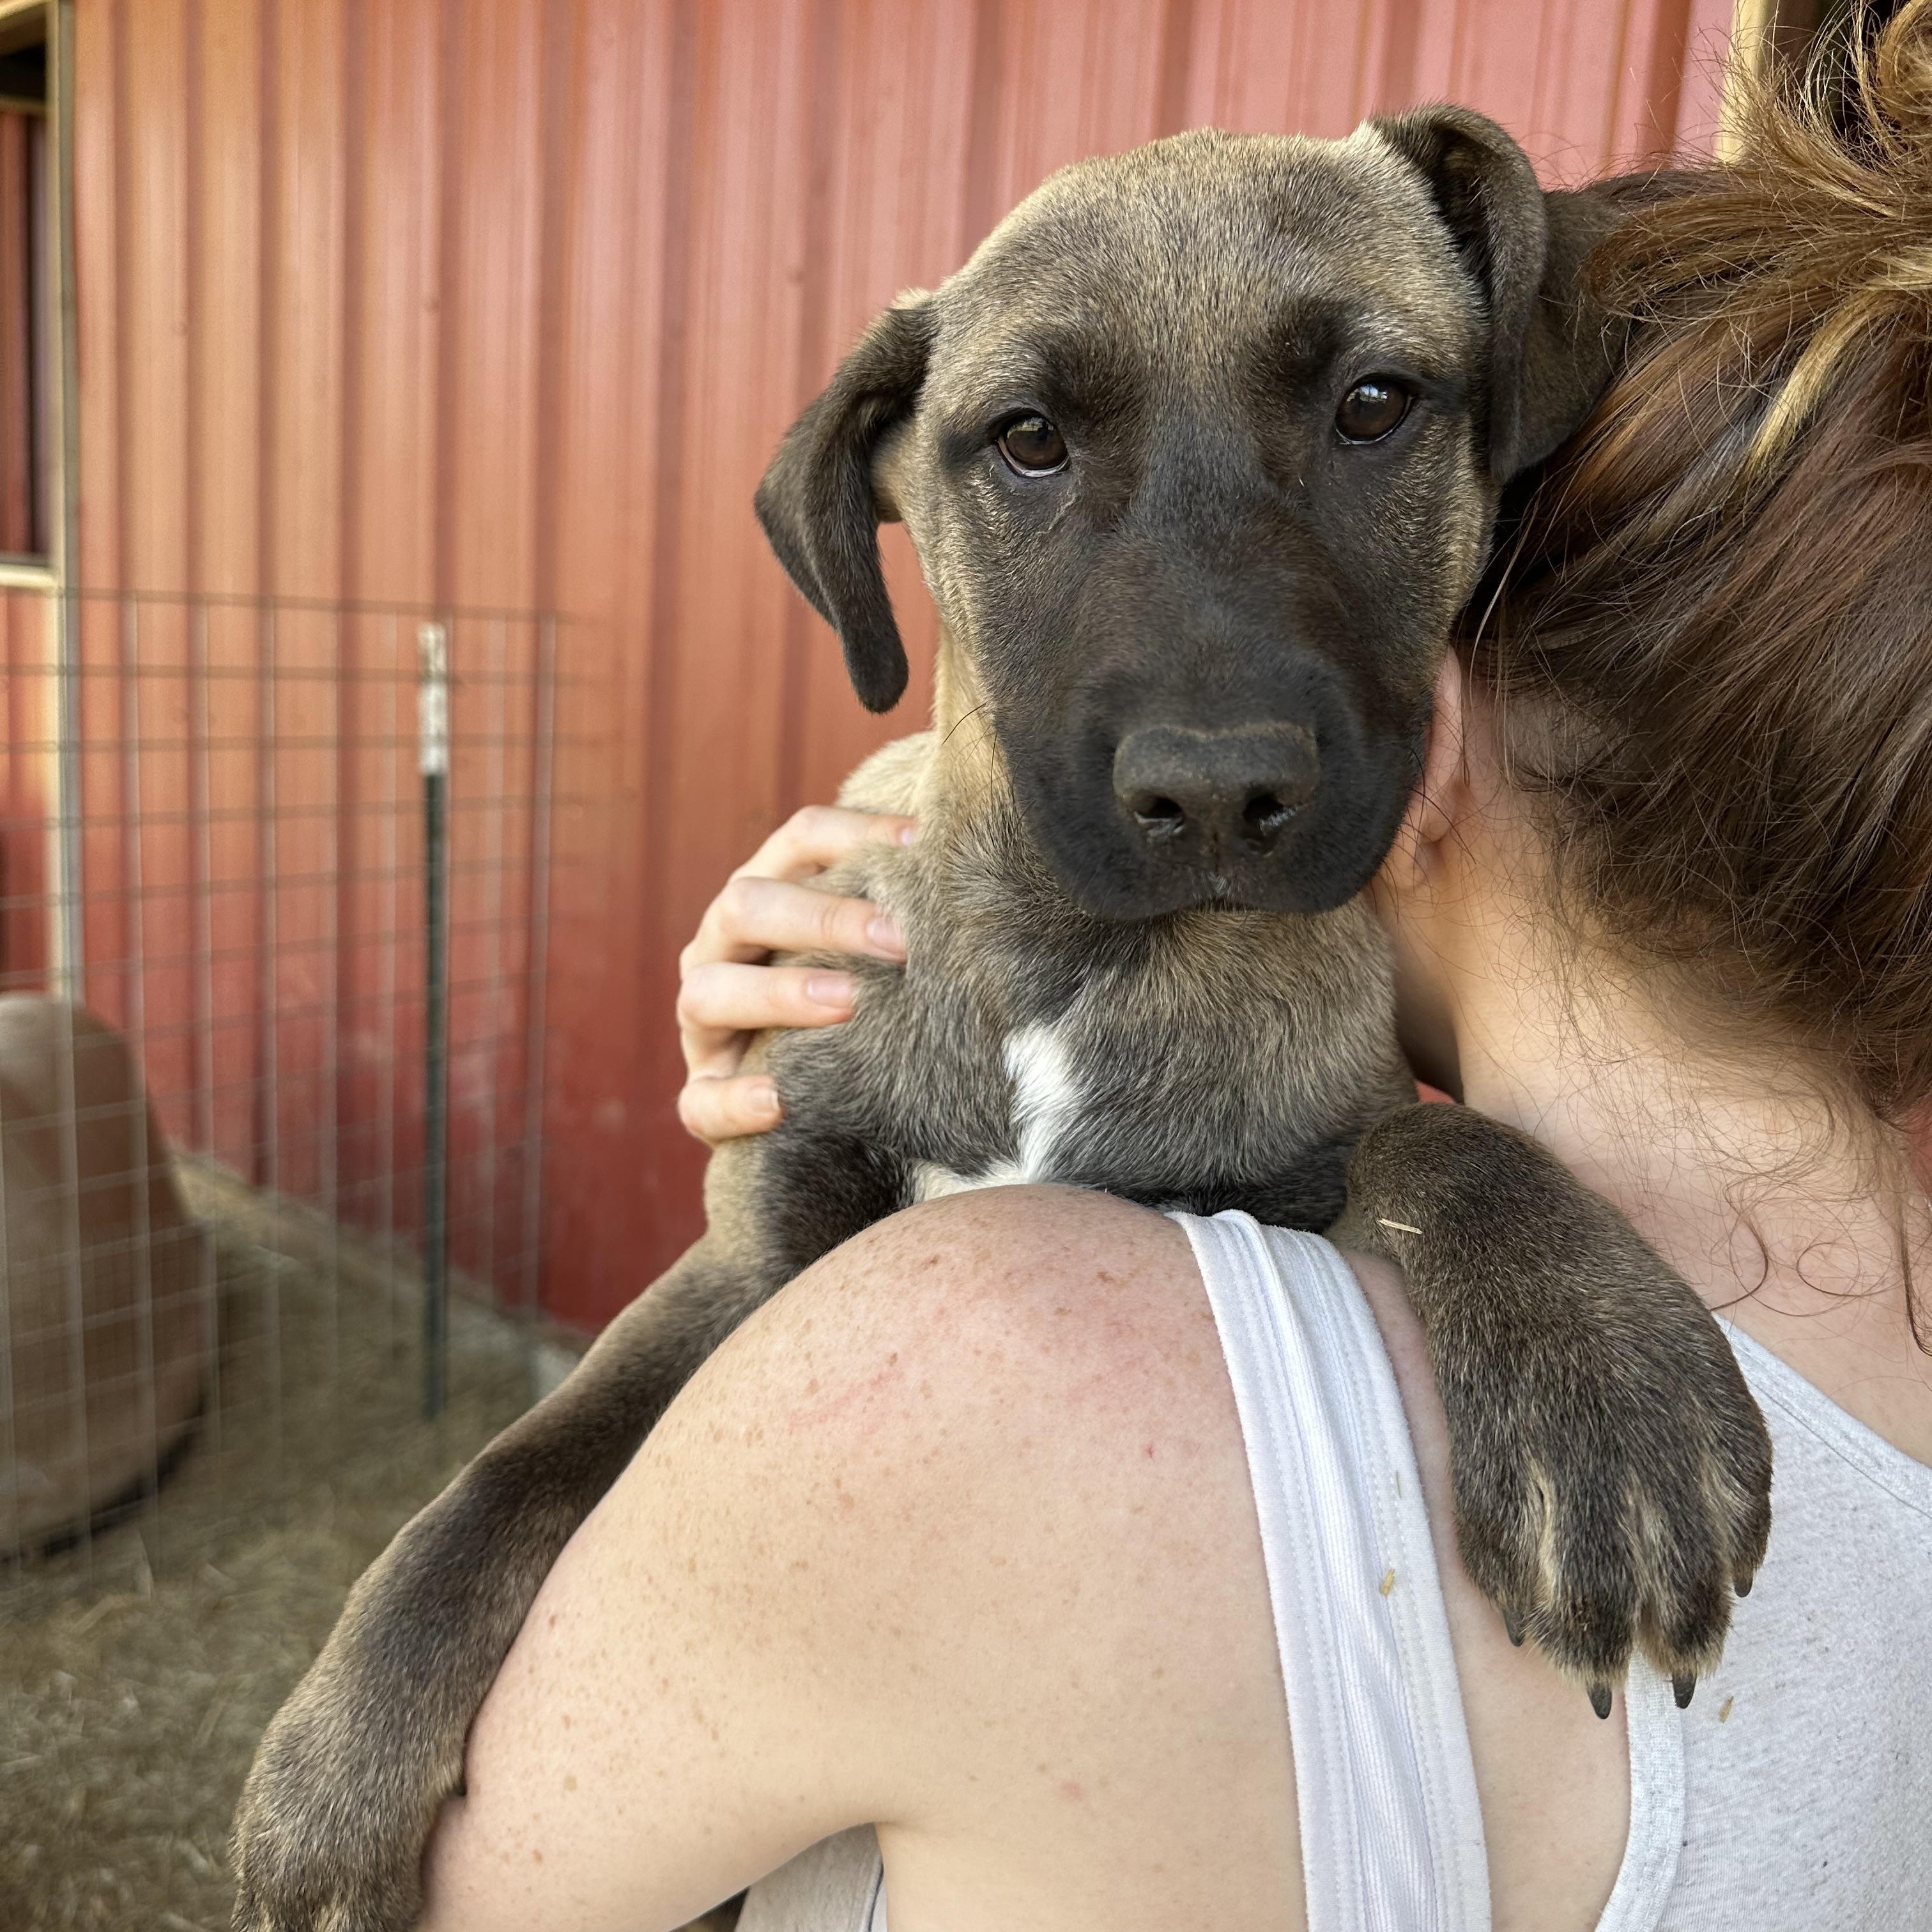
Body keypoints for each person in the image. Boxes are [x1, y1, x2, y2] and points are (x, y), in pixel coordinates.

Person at [418, 13, 1932, 1930]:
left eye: (1377, 417)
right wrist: (932, 866)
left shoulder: (995, 1372)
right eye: (1036, 448)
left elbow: (460, 1891)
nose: (1218, 704)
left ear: (1458, 684)